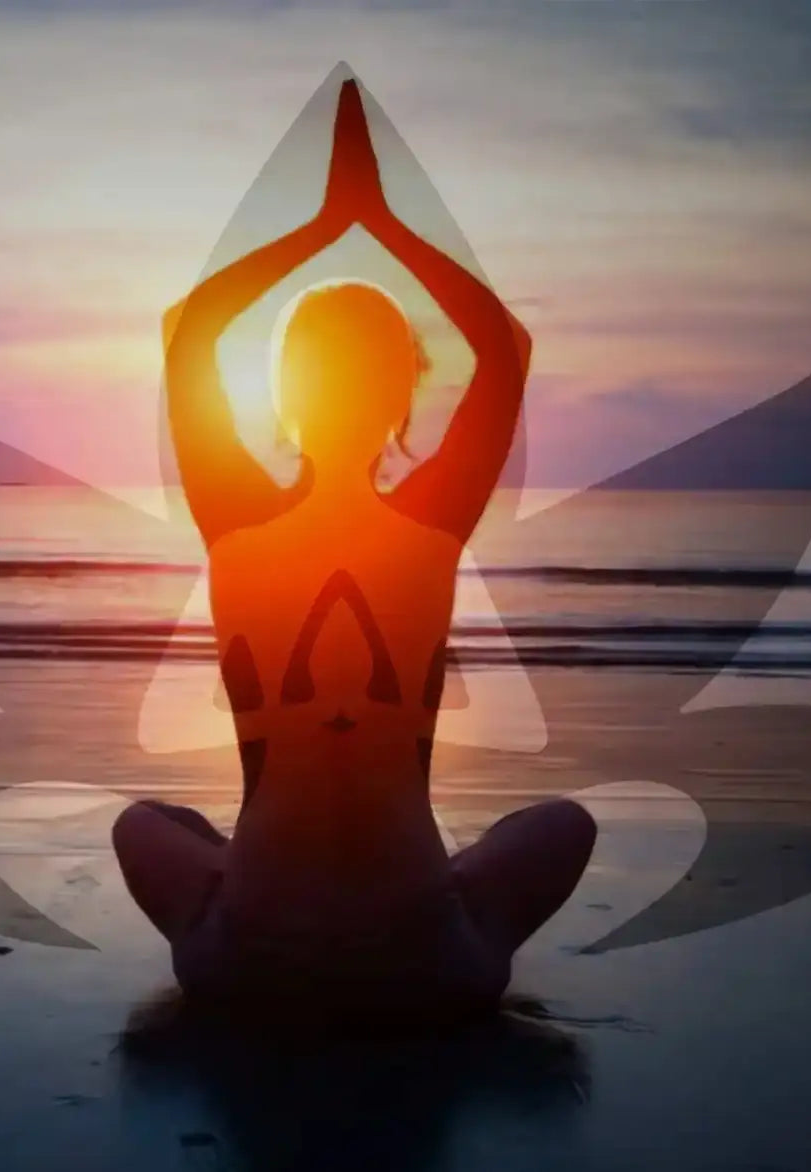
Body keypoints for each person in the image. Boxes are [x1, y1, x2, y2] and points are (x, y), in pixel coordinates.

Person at [113, 80, 595, 1026]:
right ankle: (430, 882)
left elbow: (192, 335)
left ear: (285, 393)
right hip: (427, 970)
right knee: (563, 825)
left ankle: (248, 884)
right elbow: (501, 350)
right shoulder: (432, 523)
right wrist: (382, 219)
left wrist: (321, 222)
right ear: (400, 398)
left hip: (244, 966)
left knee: (144, 825)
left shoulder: (237, 521)